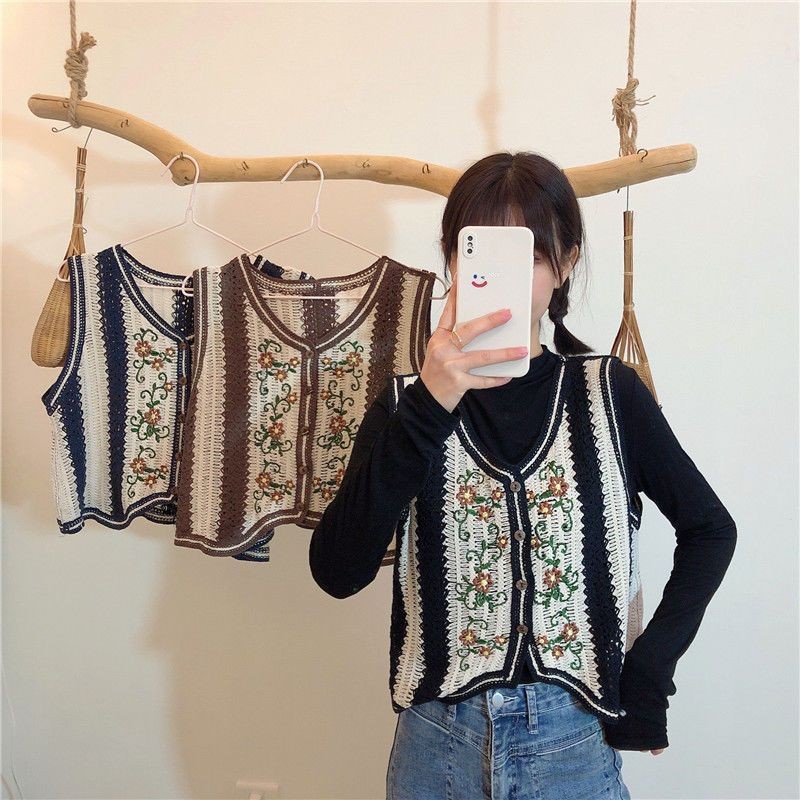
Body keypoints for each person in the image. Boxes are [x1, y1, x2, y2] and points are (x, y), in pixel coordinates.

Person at [309, 151, 737, 800]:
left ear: (565, 264)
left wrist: (650, 669)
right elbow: (337, 572)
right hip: (434, 750)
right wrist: (428, 407)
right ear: (453, 260)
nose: (507, 279)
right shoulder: (405, 406)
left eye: (531, 257)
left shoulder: (608, 394)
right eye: (482, 256)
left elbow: (710, 530)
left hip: (573, 746)